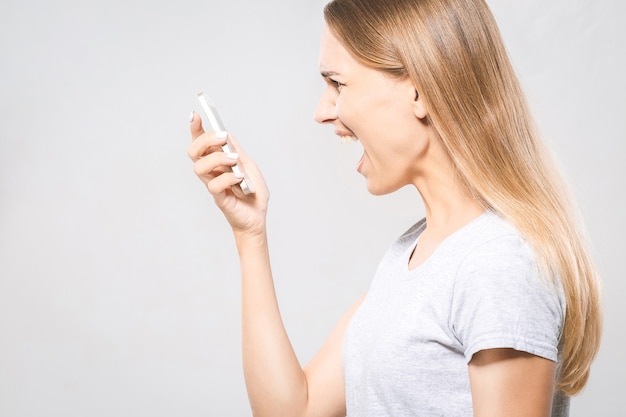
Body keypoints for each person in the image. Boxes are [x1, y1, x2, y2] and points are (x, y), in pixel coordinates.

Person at [187, 0, 603, 415]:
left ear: (418, 89)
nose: (321, 111)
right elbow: (296, 409)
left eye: (338, 84)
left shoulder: (497, 264)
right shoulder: (412, 254)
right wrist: (250, 234)